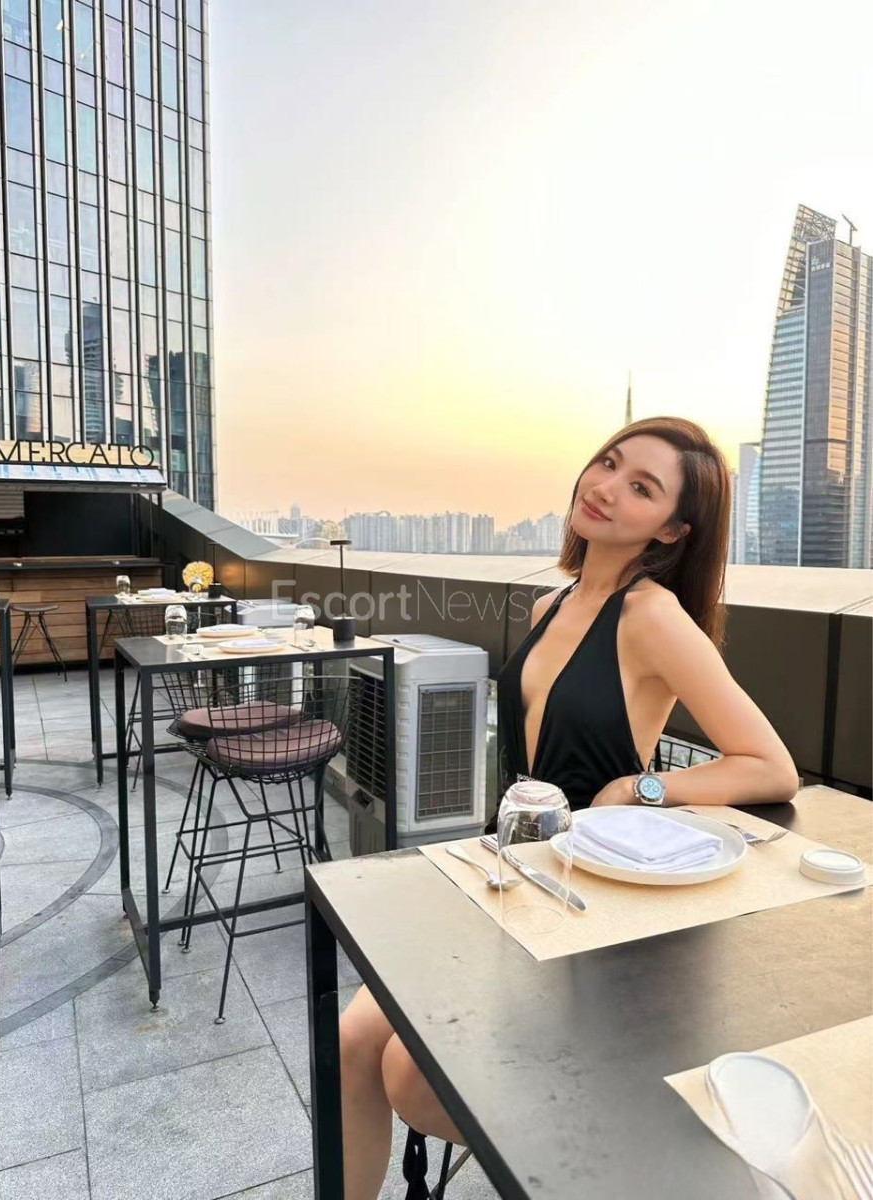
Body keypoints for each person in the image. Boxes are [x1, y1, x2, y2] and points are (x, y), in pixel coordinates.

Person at [338, 416, 800, 1199]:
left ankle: (605, 1130)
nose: (606, 487)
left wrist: (644, 787)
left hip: (589, 899)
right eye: (608, 464)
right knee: (354, 1039)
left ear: (671, 530)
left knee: (410, 1079)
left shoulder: (652, 616)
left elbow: (771, 766)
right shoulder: (550, 604)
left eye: (641, 487)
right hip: (510, 869)